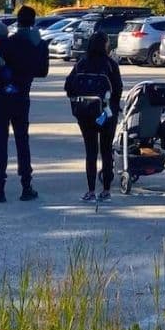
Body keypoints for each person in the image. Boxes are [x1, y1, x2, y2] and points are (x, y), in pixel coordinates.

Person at [0, 5, 50, 203]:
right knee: (22, 141)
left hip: (1, 96)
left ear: (18, 21)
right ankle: (26, 185)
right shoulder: (38, 45)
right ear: (33, 22)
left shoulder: (6, 44)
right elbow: (43, 72)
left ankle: (0, 188)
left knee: (0, 141)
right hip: (22, 97)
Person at [65, 31, 122, 202]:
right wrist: (113, 106)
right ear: (105, 45)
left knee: (90, 151)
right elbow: (118, 89)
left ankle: (90, 191)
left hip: (85, 113)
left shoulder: (82, 64)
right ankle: (106, 190)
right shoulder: (110, 65)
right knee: (106, 151)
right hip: (105, 113)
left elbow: (68, 86)